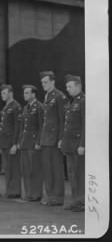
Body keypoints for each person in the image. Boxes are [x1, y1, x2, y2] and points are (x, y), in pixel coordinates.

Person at [39, 71, 66, 206]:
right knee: (48, 169)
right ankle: (49, 195)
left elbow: (62, 119)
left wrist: (61, 138)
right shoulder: (47, 96)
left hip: (55, 138)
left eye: (46, 82)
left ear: (53, 82)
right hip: (46, 138)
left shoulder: (59, 96)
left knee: (56, 169)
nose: (44, 84)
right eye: (42, 82)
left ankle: (58, 197)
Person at [61, 75, 85, 212]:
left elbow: (84, 125)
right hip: (70, 144)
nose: (67, 89)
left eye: (70, 86)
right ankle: (75, 200)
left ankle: (81, 201)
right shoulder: (72, 102)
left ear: (78, 86)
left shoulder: (83, 101)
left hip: (77, 144)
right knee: (71, 173)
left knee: (79, 173)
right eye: (67, 87)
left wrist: (82, 144)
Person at [18, 85, 43, 202]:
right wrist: (19, 141)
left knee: (35, 169)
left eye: (27, 93)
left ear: (33, 94)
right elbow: (22, 127)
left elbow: (41, 126)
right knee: (26, 170)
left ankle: (36, 193)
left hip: (33, 143)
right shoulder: (25, 108)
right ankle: (29, 193)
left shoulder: (39, 107)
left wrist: (38, 142)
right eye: (24, 93)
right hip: (25, 142)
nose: (25, 95)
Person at [0, 84, 22, 199]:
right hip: (5, 142)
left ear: (10, 93)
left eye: (4, 93)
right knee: (7, 168)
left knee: (13, 168)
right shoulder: (6, 107)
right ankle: (9, 190)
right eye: (1, 93)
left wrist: (15, 143)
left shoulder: (15, 106)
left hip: (11, 142)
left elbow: (18, 126)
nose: (2, 95)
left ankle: (15, 190)